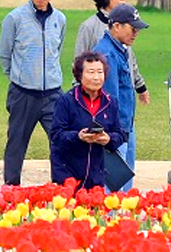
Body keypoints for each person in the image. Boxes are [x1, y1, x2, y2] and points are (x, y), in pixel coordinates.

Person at [0, 0, 66, 186]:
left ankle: (62, 186)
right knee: (16, 143)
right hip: (23, 93)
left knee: (61, 142)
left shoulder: (60, 19)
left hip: (53, 94)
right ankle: (11, 189)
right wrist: (19, 77)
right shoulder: (14, 18)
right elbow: (4, 54)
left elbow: (58, 50)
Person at [93, 4, 149, 191]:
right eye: (133, 28)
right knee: (113, 192)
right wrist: (114, 136)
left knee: (121, 187)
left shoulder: (118, 49)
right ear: (117, 26)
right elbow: (110, 99)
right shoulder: (108, 54)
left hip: (122, 127)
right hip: (114, 132)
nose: (136, 33)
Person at [50, 51, 124, 188]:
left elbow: (120, 134)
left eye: (100, 72)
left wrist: (108, 139)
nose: (96, 77)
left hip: (97, 175)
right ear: (80, 75)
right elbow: (56, 135)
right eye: (91, 72)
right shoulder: (66, 101)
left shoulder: (110, 102)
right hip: (68, 174)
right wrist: (78, 136)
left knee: (95, 209)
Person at [74, 0, 149, 104]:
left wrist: (140, 86)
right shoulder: (89, 27)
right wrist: (79, 95)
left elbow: (130, 59)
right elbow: (79, 62)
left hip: (125, 95)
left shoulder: (128, 26)